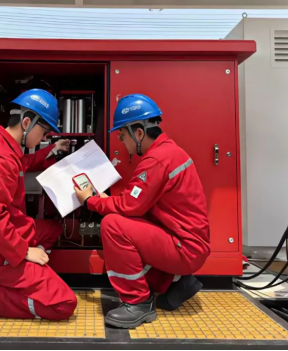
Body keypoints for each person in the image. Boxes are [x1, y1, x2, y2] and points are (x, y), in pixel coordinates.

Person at [75, 94, 210, 329]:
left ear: (138, 133)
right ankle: (175, 282)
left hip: (185, 248)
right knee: (123, 230)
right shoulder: (168, 152)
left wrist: (91, 201)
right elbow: (136, 203)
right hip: (186, 243)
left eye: (122, 135)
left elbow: (130, 206)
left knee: (112, 226)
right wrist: (107, 201)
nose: (122, 142)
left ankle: (138, 303)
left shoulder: (157, 159)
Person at [0, 89, 77, 323]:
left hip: (5, 234)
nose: (43, 138)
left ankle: (25, 276)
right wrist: (24, 252)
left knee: (54, 229)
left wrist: (53, 149)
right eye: (43, 132)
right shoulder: (1, 160)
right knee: (64, 304)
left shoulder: (2, 145)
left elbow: (23, 163)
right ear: (26, 123)